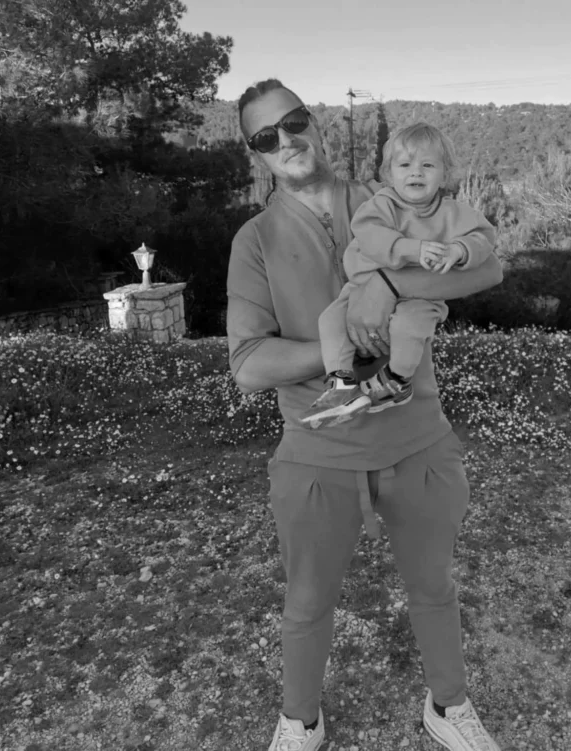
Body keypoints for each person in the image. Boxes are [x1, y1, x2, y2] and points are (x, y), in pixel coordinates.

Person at [228, 78, 505, 751]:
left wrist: (385, 284)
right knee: (306, 599)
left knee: (434, 585)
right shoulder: (255, 239)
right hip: (317, 449)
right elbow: (249, 366)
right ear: (255, 153)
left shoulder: (389, 198)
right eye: (266, 135)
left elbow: (487, 269)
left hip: (418, 437)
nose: (286, 139)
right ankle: (301, 719)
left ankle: (448, 705)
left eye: (294, 120)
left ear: (315, 124)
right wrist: (343, 347)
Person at [300, 122, 497, 429]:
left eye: (427, 165)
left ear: (445, 174)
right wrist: (412, 249)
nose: (416, 172)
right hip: (363, 288)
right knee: (330, 319)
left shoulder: (454, 213)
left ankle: (397, 380)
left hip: (421, 295)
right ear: (389, 174)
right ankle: (340, 383)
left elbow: (484, 237)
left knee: (410, 326)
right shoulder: (382, 205)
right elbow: (370, 235)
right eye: (405, 165)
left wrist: (459, 250)